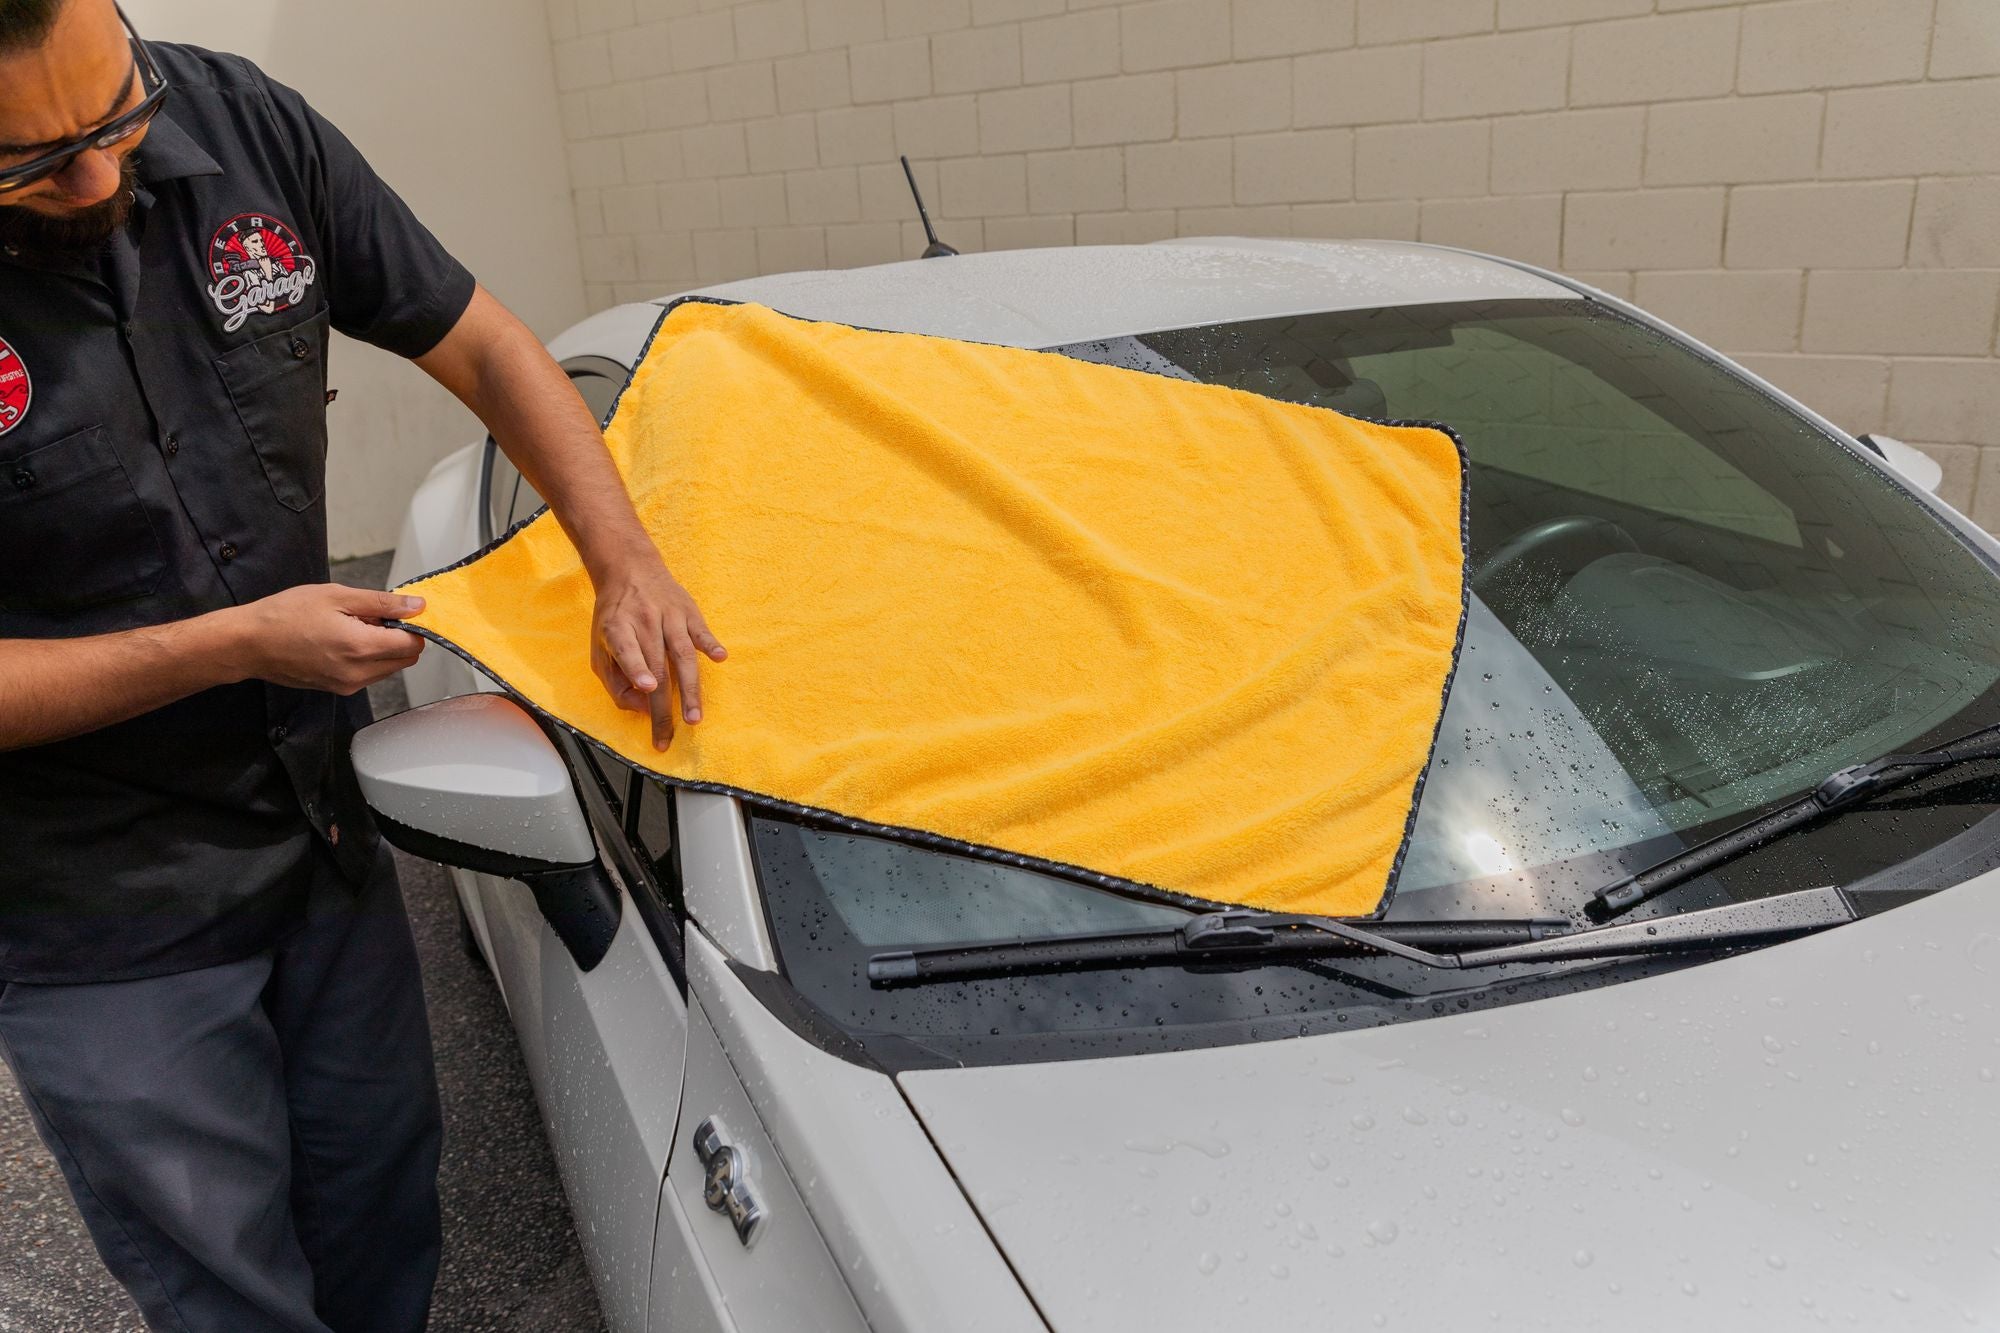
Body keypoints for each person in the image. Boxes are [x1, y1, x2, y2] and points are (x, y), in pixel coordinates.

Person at [0, 1, 725, 1327]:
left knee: (385, 1217)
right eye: (34, 163)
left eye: (115, 115)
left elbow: (491, 343)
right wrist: (234, 645)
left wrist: (624, 555)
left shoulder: (244, 123)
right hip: (106, 918)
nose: (100, 176)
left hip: (320, 843)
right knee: (231, 1293)